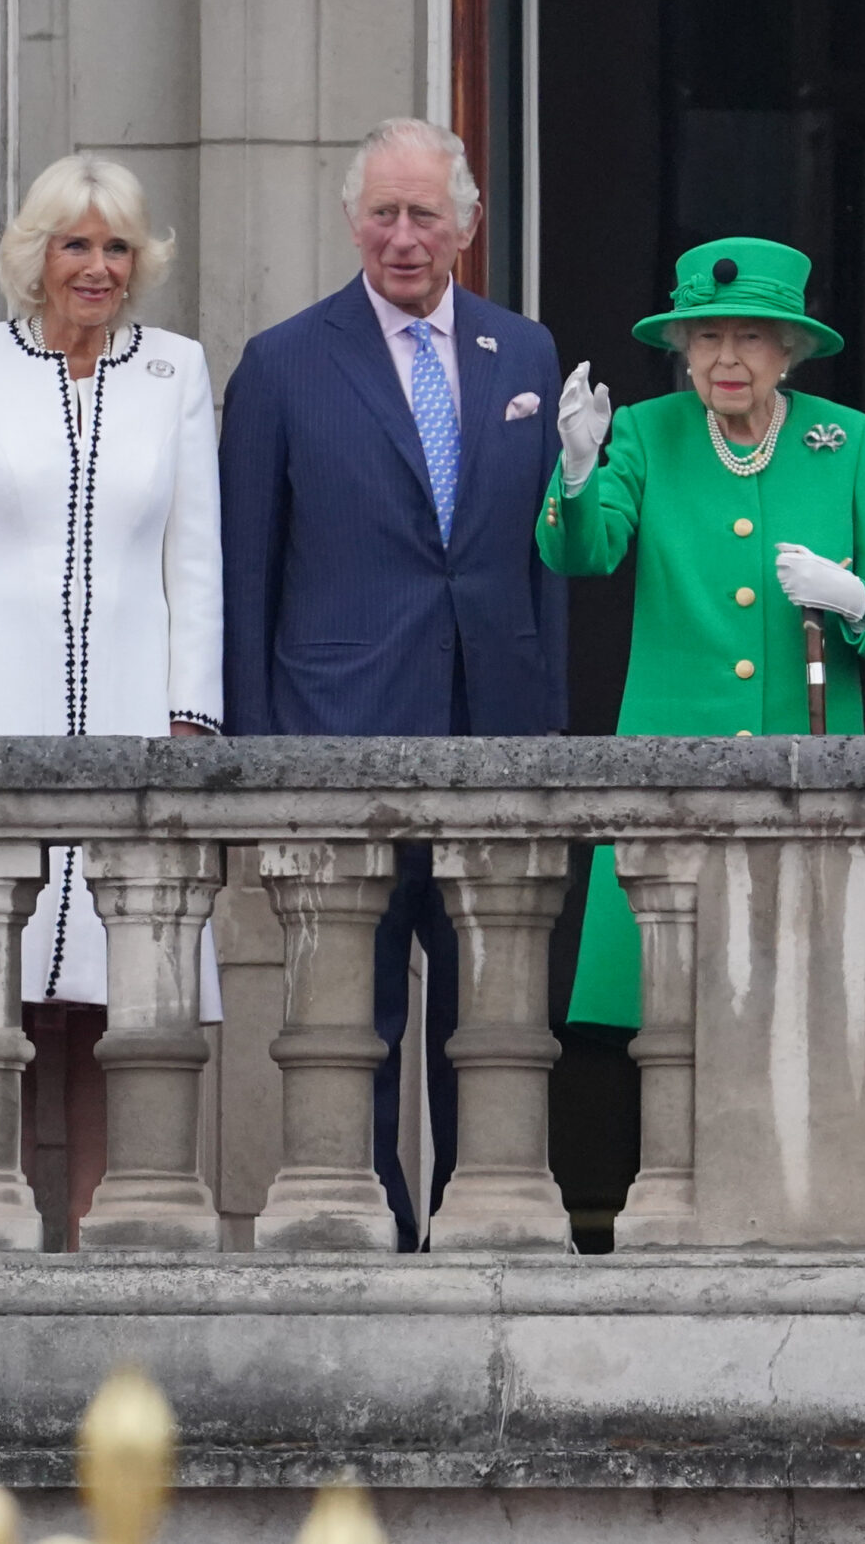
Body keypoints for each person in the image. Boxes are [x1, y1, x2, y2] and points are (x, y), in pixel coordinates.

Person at [219, 117, 568, 1250]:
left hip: (493, 739)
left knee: (492, 1020)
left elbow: (542, 559)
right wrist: (259, 754)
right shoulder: (282, 361)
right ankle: (367, 1226)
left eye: (426, 214)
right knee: (349, 1024)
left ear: (468, 223)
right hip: (338, 737)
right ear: (350, 220)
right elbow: (246, 568)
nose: (403, 237)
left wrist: (547, 733)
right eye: (384, 212)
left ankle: (478, 1225)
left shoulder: (525, 355)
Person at [0, 152, 222, 1245]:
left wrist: (186, 720)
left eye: (117, 246)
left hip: (129, 714)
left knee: (116, 997)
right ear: (39, 255)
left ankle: (106, 1231)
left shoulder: (176, 370)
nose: (100, 267)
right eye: (78, 244)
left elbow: (194, 561)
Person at [541, 238, 865, 1030]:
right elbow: (583, 552)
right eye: (708, 337)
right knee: (669, 1025)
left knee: (801, 1023)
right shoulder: (649, 433)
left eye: (750, 336)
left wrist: (852, 597)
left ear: (788, 349)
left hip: (804, 791)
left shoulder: (848, 441)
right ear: (683, 349)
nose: (727, 357)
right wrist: (577, 471)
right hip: (670, 780)